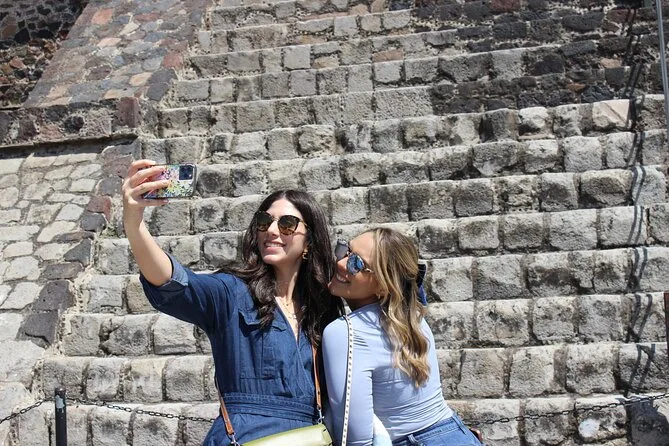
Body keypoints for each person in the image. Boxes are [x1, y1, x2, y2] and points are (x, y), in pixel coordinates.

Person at [122, 160, 342, 444]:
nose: (271, 230)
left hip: (307, 437)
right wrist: (134, 222)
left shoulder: (322, 307)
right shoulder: (232, 292)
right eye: (264, 221)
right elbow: (172, 282)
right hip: (246, 436)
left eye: (287, 224)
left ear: (309, 241)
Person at [322, 228, 483, 446]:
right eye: (345, 250)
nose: (341, 263)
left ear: (383, 287)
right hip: (457, 434)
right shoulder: (414, 318)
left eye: (356, 264)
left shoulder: (344, 331)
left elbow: (357, 438)